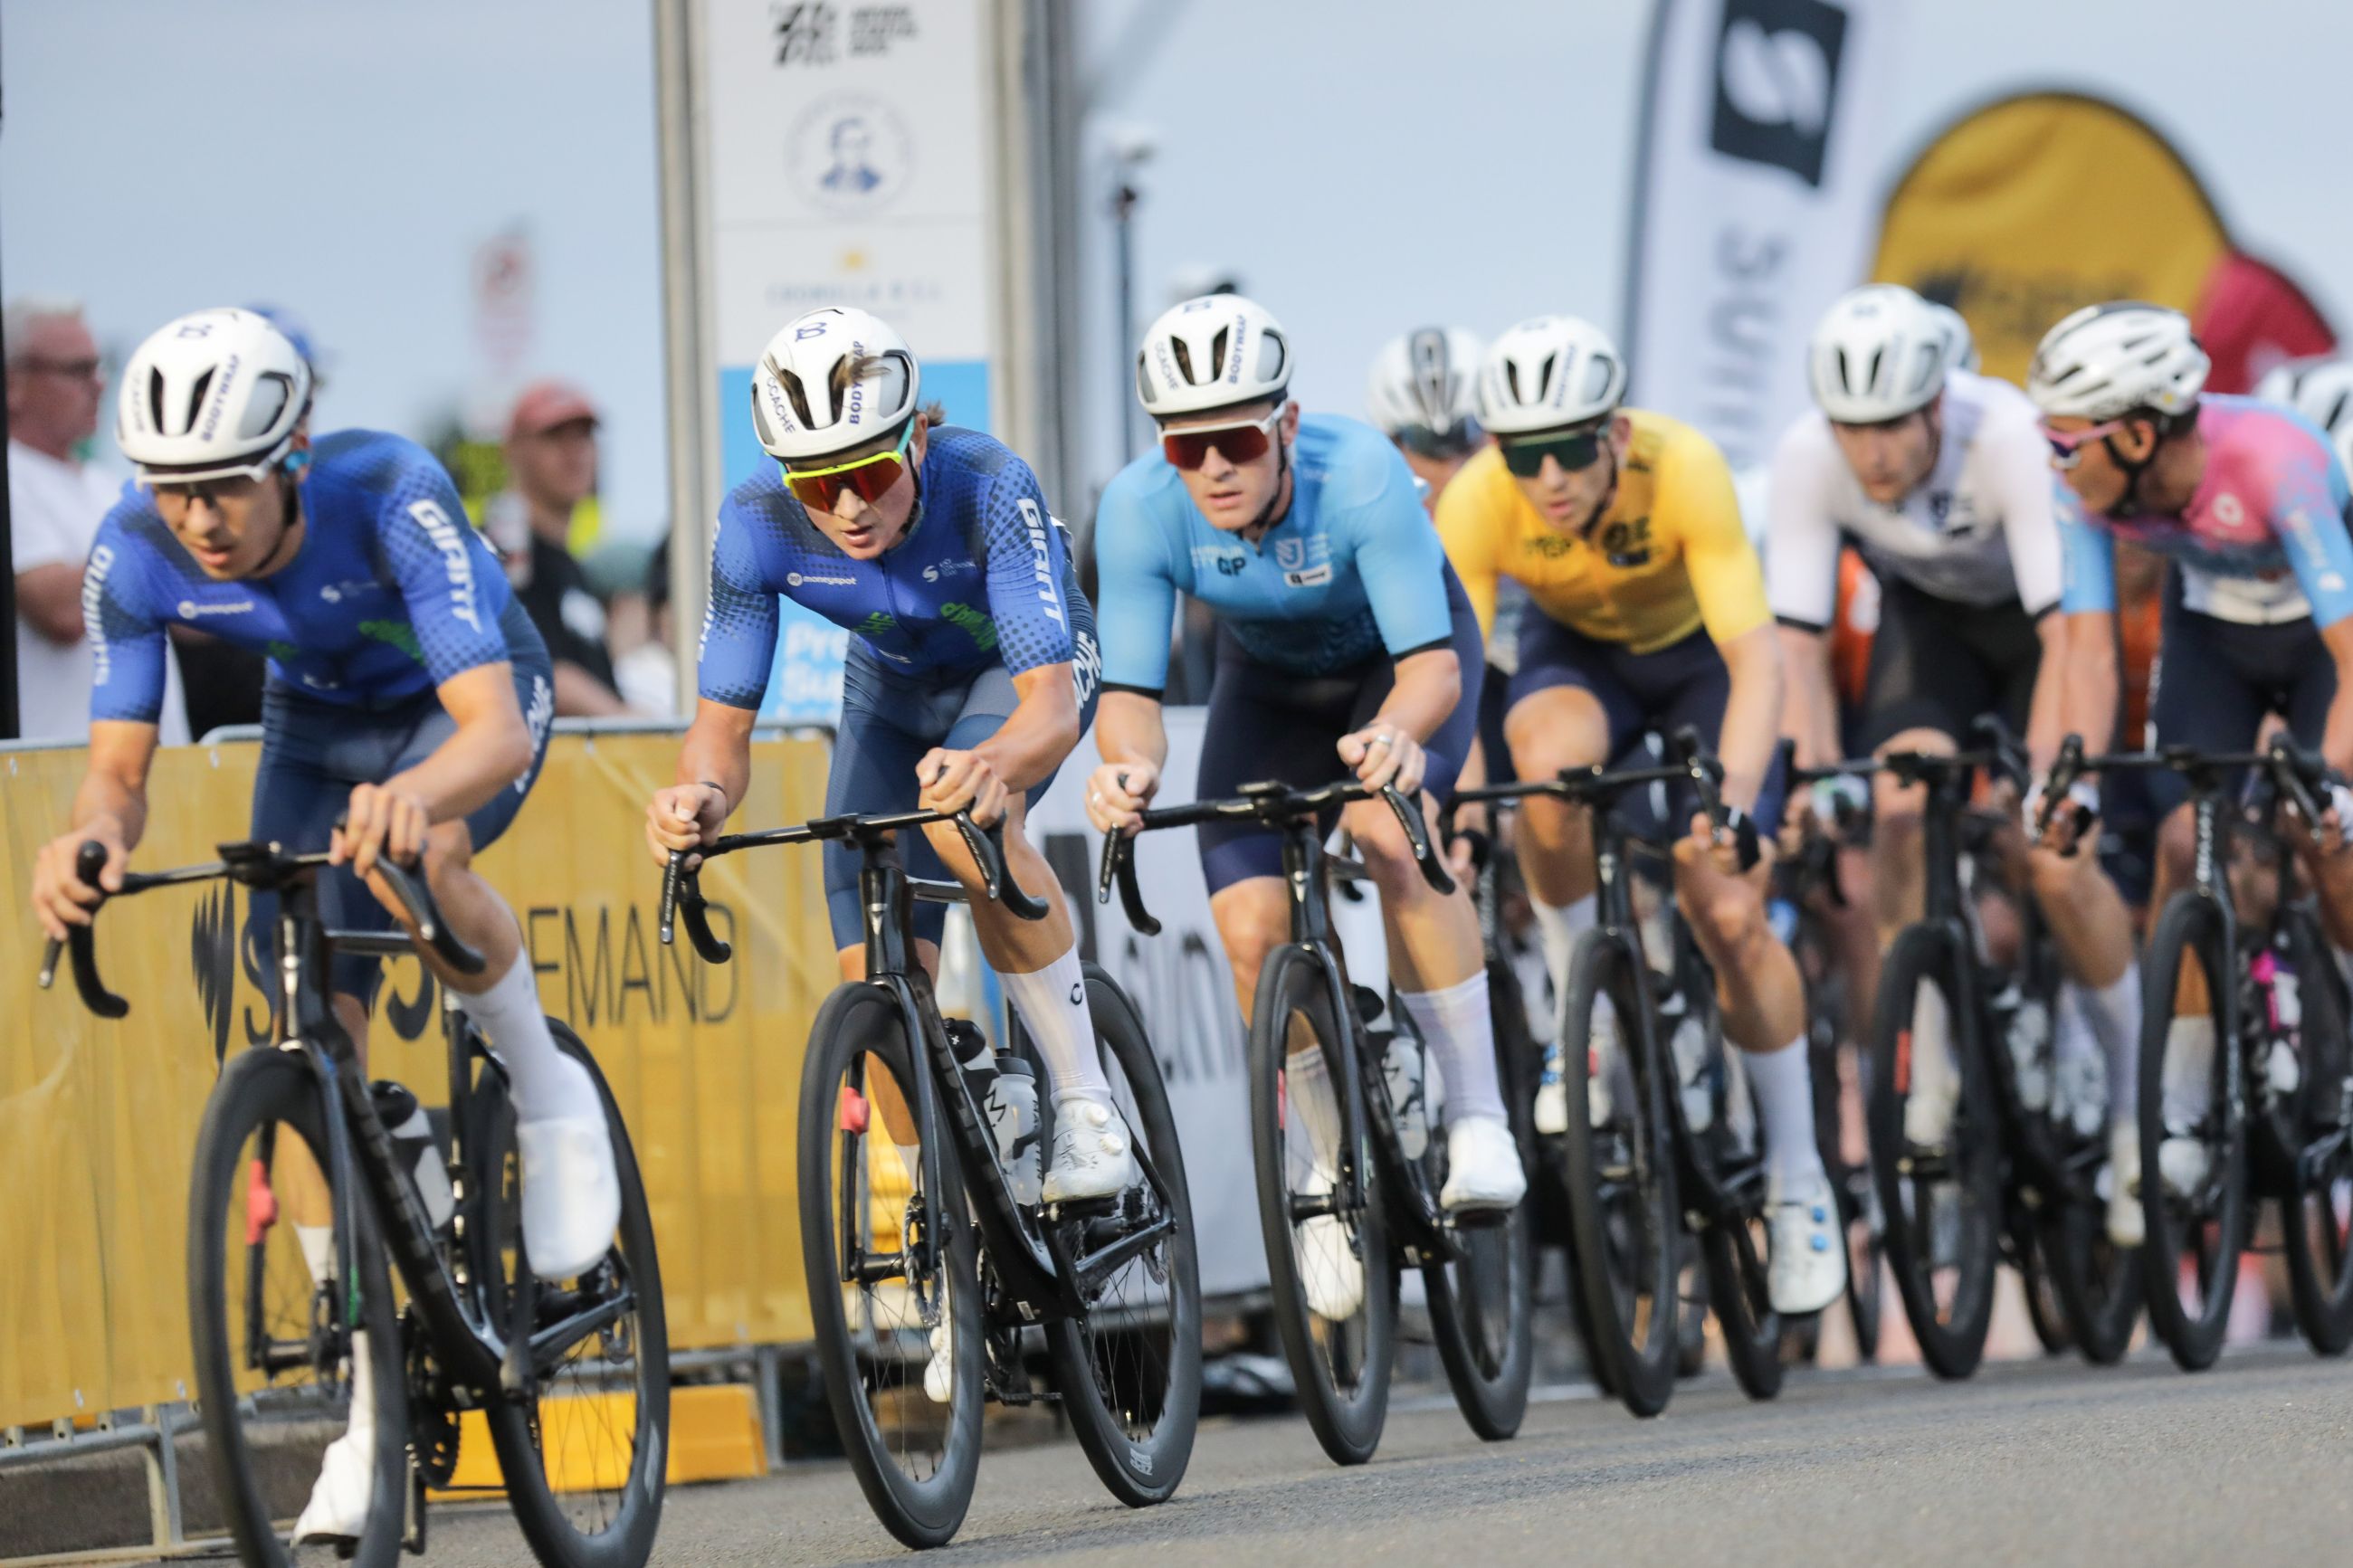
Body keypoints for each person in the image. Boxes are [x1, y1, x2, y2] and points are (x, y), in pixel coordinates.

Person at [24, 308, 613, 1544]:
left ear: (289, 459)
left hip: (467, 710)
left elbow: (496, 732)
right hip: (317, 735)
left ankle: (545, 1082)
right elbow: (117, 770)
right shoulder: (133, 553)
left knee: (428, 849)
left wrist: (420, 791)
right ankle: (367, 1404)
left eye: (225, 488)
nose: (198, 520)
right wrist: (90, 841)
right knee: (300, 1027)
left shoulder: (388, 490)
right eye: (174, 490)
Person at [1084, 294, 1526, 1319]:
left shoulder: (1361, 472)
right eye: (1186, 447)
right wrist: (1127, 771)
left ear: (1284, 425)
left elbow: (1430, 672)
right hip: (1271, 686)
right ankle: (1324, 1169)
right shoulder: (1139, 507)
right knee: (1249, 927)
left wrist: (1398, 737)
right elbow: (1132, 703)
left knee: (1385, 832)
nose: (1213, 468)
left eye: (1236, 438)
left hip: (1398, 666)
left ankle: (1473, 1112)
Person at [644, 306, 1127, 1213]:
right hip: (894, 691)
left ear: (914, 437)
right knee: (867, 964)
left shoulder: (983, 480)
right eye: (817, 488)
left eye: (868, 471)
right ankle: (944, 1219)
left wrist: (992, 769)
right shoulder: (755, 524)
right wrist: (698, 795)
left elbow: (1051, 710)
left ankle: (1081, 1097)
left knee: (966, 821)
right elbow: (721, 729)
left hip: (1015, 676)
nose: (849, 507)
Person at [1435, 313, 1845, 1315]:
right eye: (1523, 456)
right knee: (1541, 766)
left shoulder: (1685, 467)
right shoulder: (1480, 501)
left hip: (1702, 664)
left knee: (1727, 908)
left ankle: (1799, 1181)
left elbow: (1759, 663)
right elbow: (1447, 682)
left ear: (1613, 433)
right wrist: (1450, 813)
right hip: (1581, 663)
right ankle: (1585, 1008)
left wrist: (1734, 803)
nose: (1549, 480)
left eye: (1570, 449)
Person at [2026, 301, 2353, 1247]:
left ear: (2134, 432)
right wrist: (2071, 781)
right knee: (2183, 840)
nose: (2052, 458)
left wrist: (2333, 779)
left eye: (2065, 439)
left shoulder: (2271, 459)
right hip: (2211, 632)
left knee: (2322, 831)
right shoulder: (2086, 487)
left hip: (2319, 637)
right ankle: (2176, 1106)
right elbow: (2088, 652)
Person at [1767, 283, 2071, 1153]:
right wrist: (1822, 777)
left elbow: (2064, 634)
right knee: (1899, 813)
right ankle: (1929, 1060)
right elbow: (1798, 647)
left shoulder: (2006, 433)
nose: (1871, 453)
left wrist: (2043, 774)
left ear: (1938, 402)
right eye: (1850, 428)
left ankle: (2066, 1021)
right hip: (1930, 621)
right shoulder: (1805, 455)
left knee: (2031, 829)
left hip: (2030, 626)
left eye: (1894, 424)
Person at [6, 297, 188, 742]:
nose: (100, 385)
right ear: (13, 382)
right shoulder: (13, 475)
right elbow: (62, 611)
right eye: (77, 369)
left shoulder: (105, 484)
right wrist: (167, 536)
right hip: (59, 777)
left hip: (155, 773)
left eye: (100, 366)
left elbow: (193, 614)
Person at [495, 380, 633, 716]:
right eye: (555, 437)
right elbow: (532, 670)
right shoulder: (506, 552)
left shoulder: (570, 566)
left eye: (584, 436)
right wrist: (623, 719)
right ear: (514, 450)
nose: (575, 452)